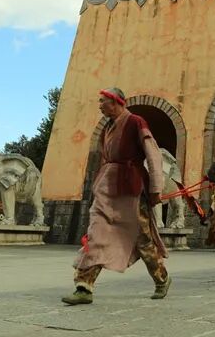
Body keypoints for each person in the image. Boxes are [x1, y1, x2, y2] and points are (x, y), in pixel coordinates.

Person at [62, 87, 170, 305]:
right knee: (96, 234)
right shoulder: (107, 128)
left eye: (103, 101)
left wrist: (156, 188)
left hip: (131, 188)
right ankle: (84, 287)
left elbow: (153, 154)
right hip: (106, 188)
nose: (100, 105)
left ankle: (161, 279)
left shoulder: (135, 122)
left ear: (116, 101)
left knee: (143, 239)